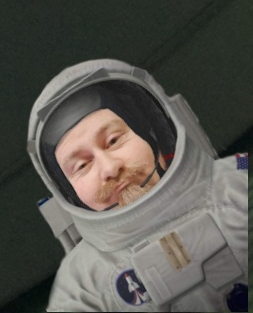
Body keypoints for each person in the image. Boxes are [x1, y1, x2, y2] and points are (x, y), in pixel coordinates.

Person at [28, 61, 252, 313]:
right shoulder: (83, 284)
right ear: (69, 193)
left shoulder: (239, 180)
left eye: (114, 140)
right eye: (82, 165)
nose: (110, 168)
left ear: (154, 134)